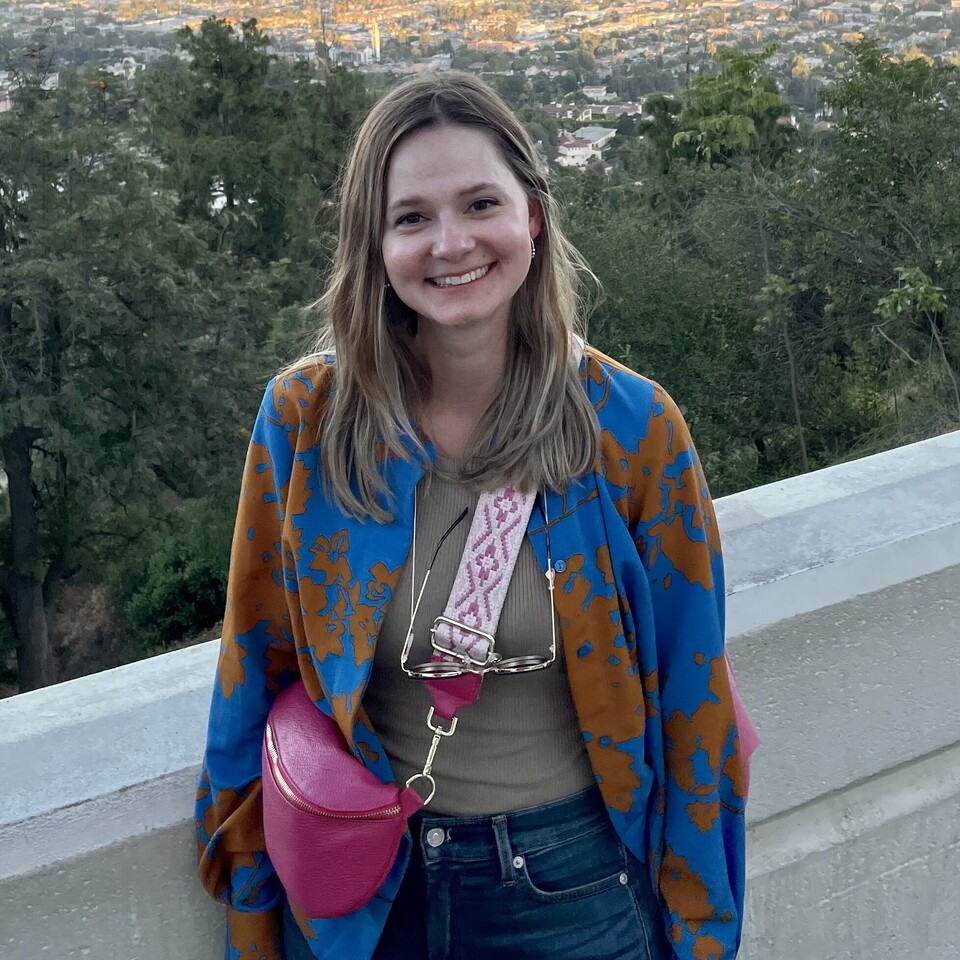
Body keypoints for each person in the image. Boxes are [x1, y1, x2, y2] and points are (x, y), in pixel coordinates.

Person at [195, 72, 747, 960]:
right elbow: (252, 668)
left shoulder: (631, 429)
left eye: (479, 203)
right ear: (373, 244)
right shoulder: (306, 419)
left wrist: (704, 931)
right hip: (368, 887)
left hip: (572, 887)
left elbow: (696, 708)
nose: (450, 244)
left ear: (531, 214)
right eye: (411, 217)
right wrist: (253, 906)